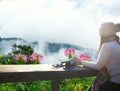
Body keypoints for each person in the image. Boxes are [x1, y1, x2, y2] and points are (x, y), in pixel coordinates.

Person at [73, 22, 120, 91]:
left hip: (115, 84)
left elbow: (98, 66)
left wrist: (80, 62)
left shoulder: (107, 45)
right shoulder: (117, 44)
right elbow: (101, 62)